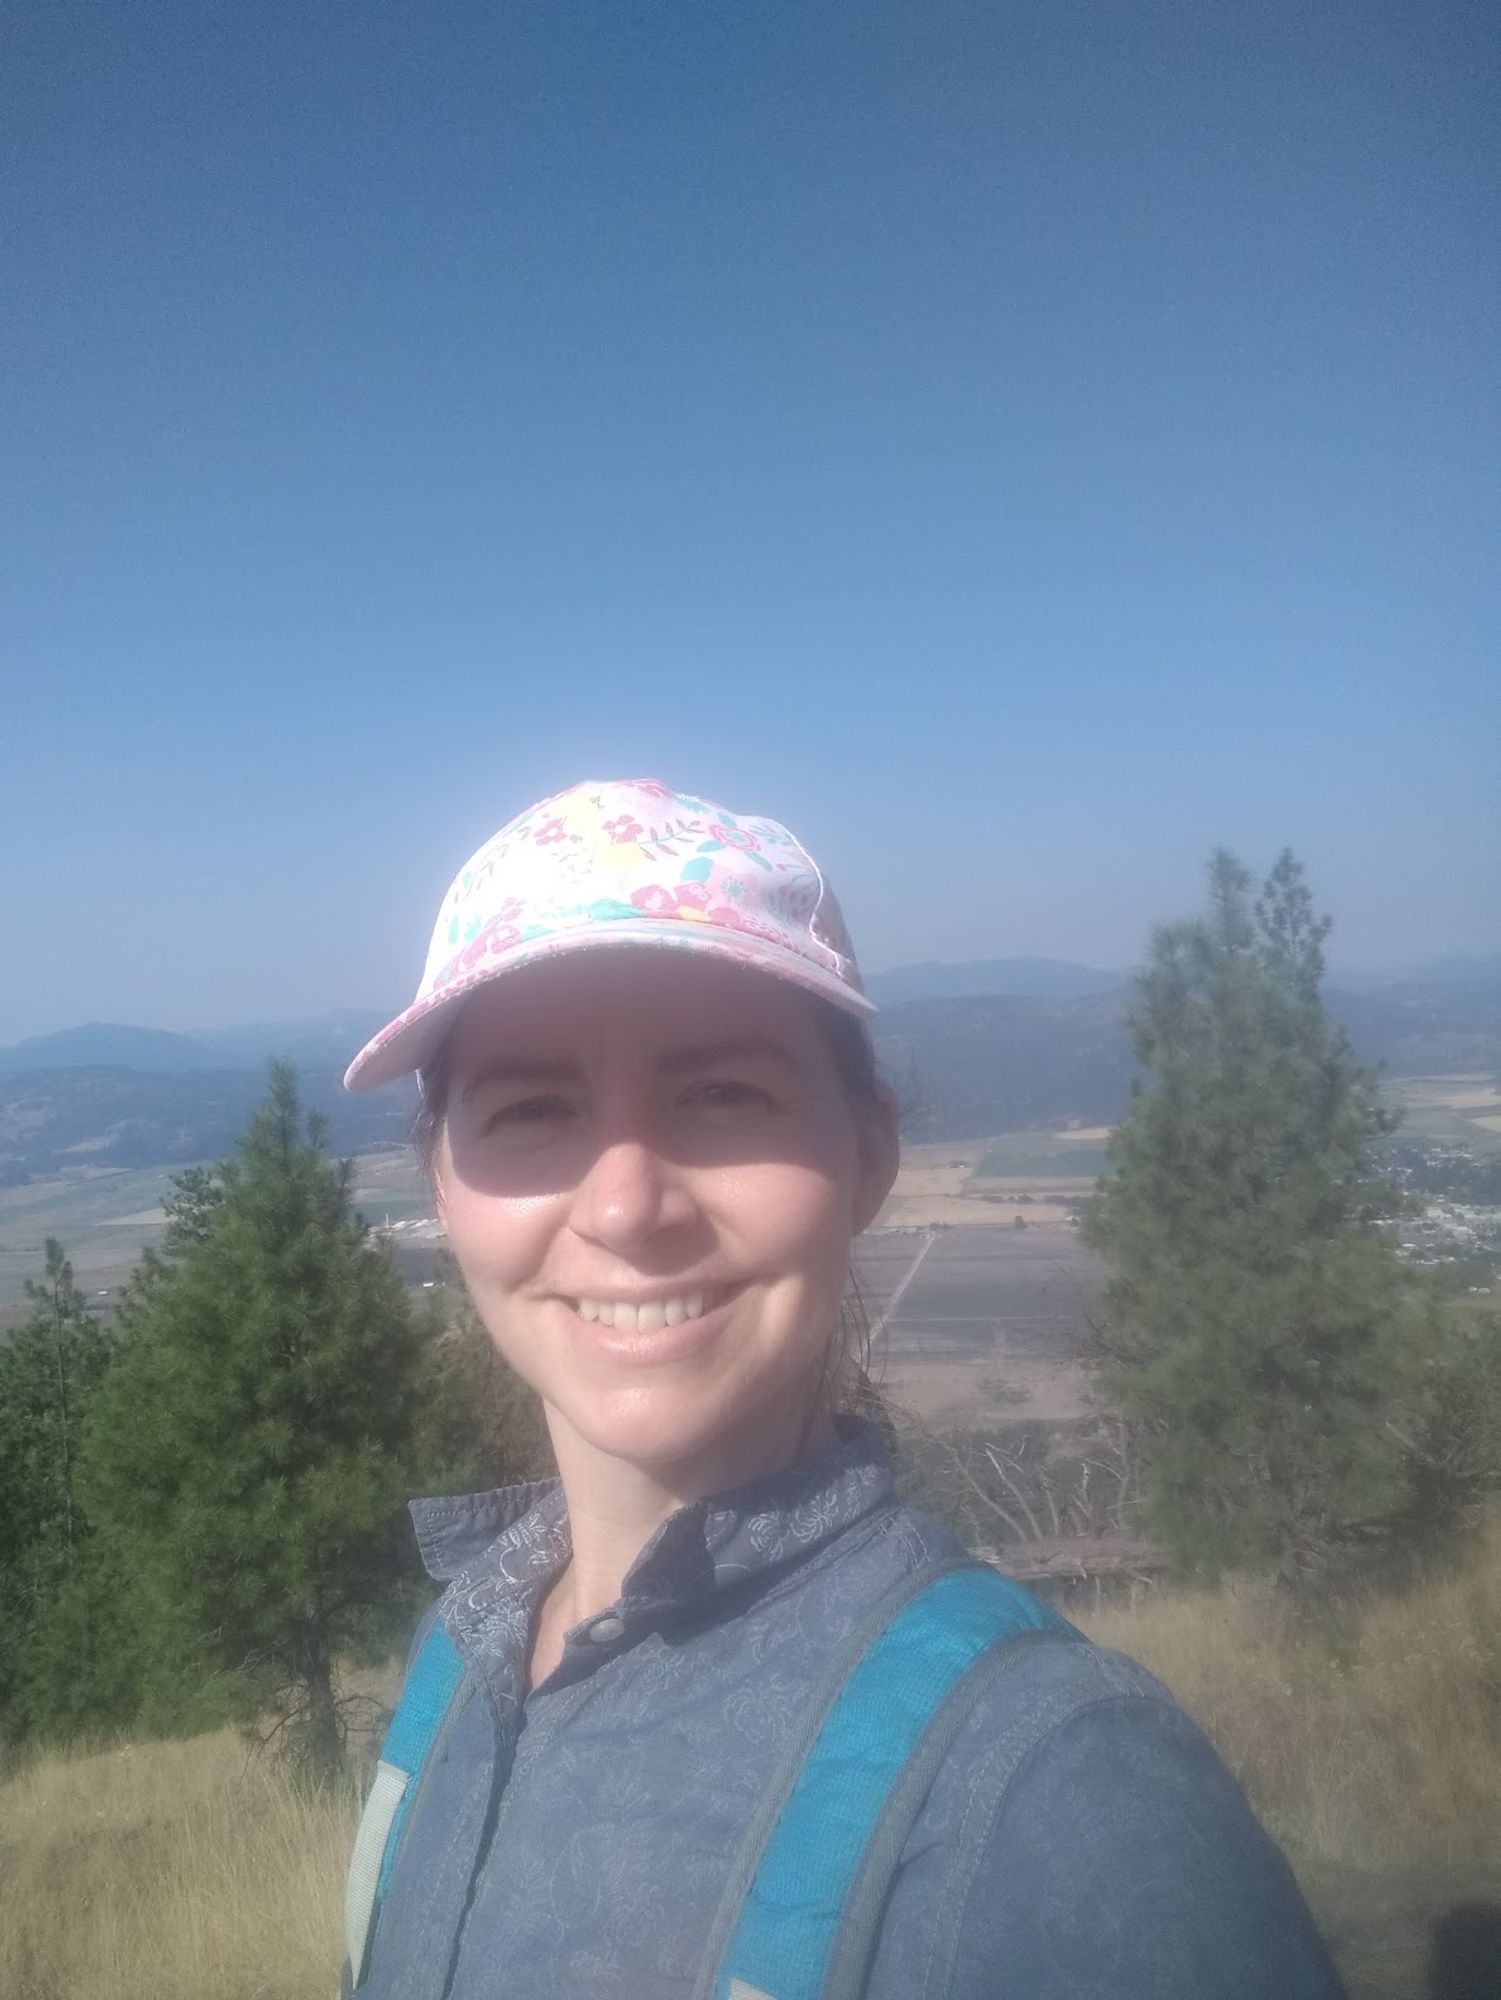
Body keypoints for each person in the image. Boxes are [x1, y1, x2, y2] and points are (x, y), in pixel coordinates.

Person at [339, 776, 1346, 2000]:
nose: (623, 1206)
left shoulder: (1051, 1786)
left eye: (721, 1094)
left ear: (869, 1151)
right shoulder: (454, 1654)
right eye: (530, 1107)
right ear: (442, 1188)